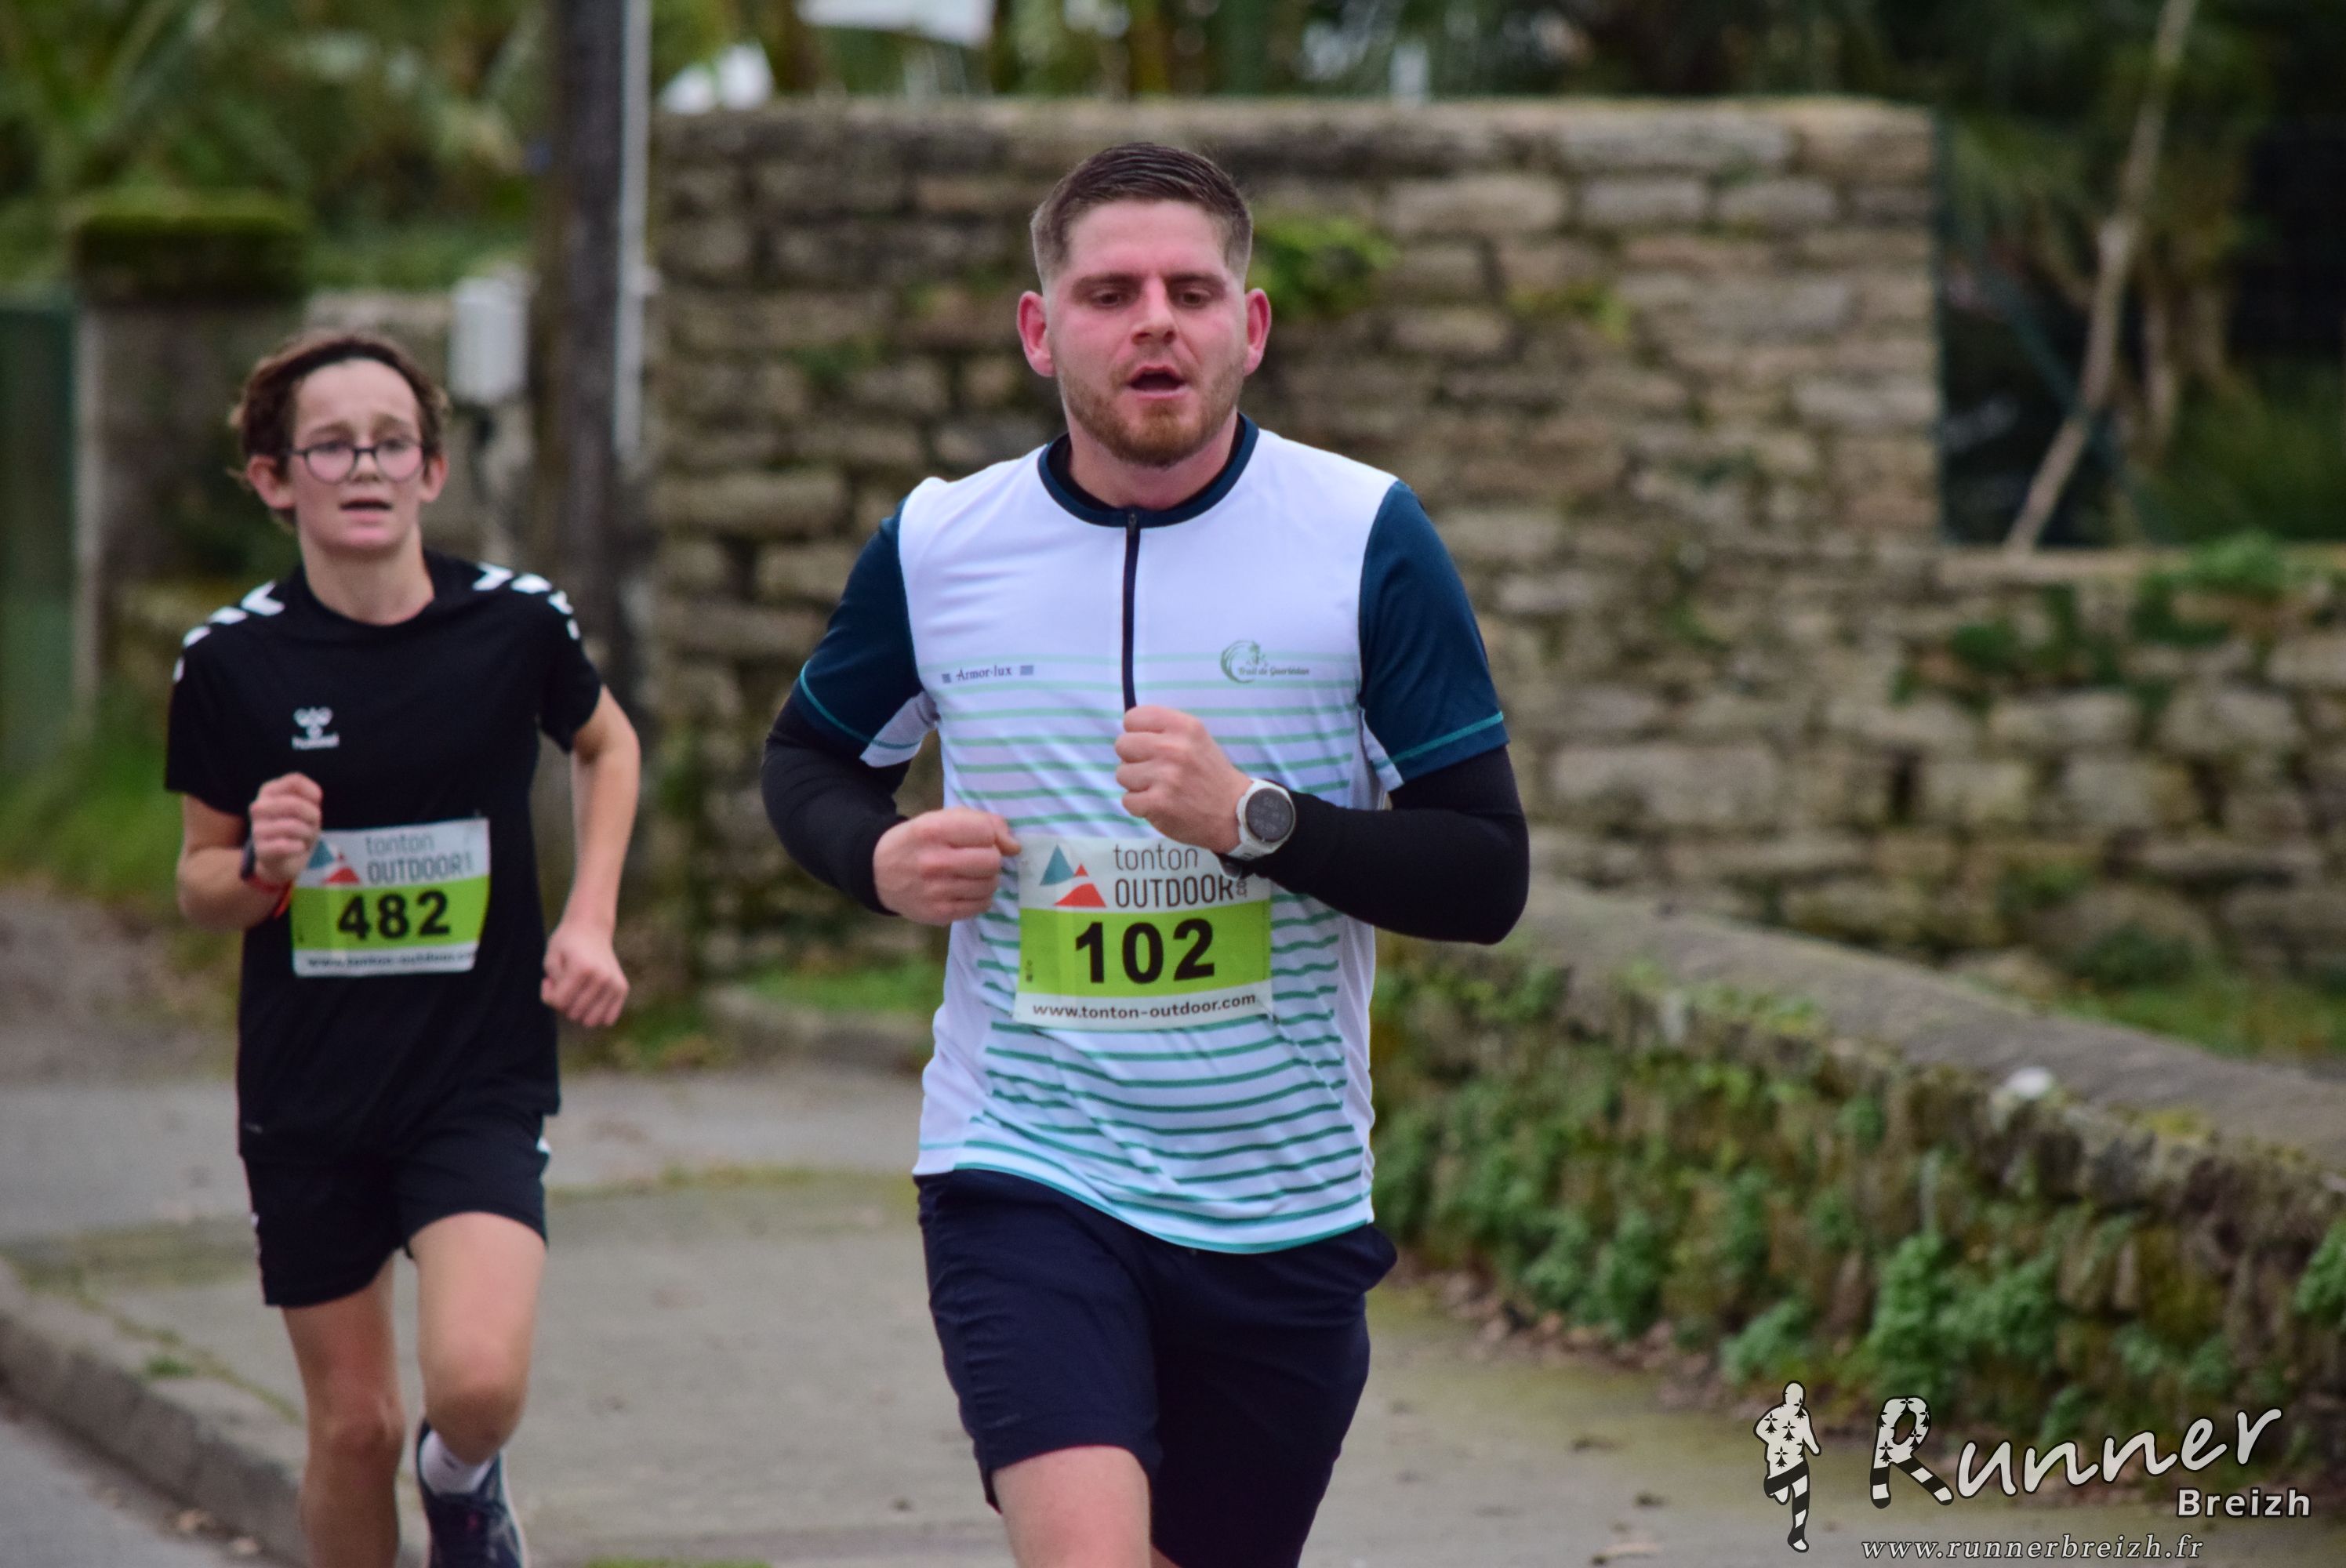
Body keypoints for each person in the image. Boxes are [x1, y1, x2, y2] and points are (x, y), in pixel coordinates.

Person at [762, 143, 1529, 1568]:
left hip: (1284, 1204)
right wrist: (876, 858)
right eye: (1111, 293)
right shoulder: (940, 545)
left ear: (1252, 325)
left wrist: (1258, 820)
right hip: (1026, 1170)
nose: (1155, 322)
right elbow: (806, 761)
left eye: (1192, 290)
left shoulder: (1366, 536)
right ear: (1041, 328)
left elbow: (1486, 873)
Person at [166, 330, 640, 1568]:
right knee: (355, 1426)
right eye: (331, 447)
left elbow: (608, 746)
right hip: (309, 1093)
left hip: (473, 1073)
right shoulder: (231, 663)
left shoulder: (515, 624)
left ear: (432, 470)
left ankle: (463, 1480)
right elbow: (199, 884)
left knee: (475, 1385)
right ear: (275, 480)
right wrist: (264, 869)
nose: (365, 466)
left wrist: (589, 918)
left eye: (391, 443)